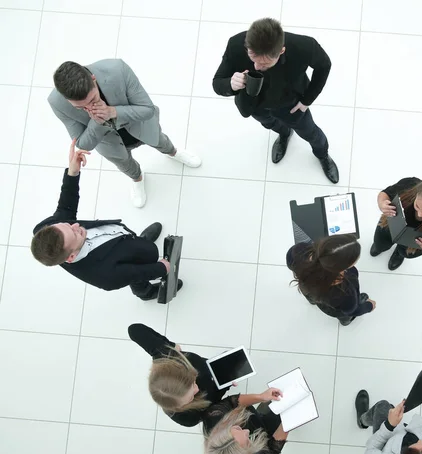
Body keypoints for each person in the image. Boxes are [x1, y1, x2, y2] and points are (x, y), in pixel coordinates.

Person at [30, 140, 182, 301]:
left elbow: (65, 209)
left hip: (121, 240)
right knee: (136, 275)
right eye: (75, 234)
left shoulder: (46, 229)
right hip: (128, 265)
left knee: (138, 245)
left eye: (67, 225)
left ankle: (139, 241)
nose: (75, 225)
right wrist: (160, 269)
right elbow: (134, 273)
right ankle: (145, 293)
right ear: (71, 257)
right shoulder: (105, 276)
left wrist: (73, 173)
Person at [49, 59, 201, 207]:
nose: (90, 108)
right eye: (81, 107)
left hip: (140, 125)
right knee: (125, 164)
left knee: (161, 141)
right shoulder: (56, 103)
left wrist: (112, 112)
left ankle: (173, 153)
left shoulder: (117, 69)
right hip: (110, 143)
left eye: (93, 99)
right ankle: (138, 179)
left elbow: (147, 109)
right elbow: (82, 144)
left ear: (93, 79)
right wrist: (97, 121)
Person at [212, 17, 339, 184]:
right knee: (270, 124)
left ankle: (323, 155)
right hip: (256, 106)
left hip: (291, 105)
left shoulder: (304, 46)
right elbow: (217, 82)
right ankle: (284, 135)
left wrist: (307, 99)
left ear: (281, 51)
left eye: (264, 63)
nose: (256, 67)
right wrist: (230, 83)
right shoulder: (235, 44)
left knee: (311, 132)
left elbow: (324, 65)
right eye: (253, 58)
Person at [128, 323, 234, 427]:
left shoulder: (166, 354)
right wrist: (225, 385)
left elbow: (134, 330)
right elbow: (214, 406)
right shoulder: (188, 418)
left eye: (193, 383)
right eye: (191, 398)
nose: (196, 390)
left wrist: (170, 346)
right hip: (216, 387)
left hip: (208, 368)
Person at [286, 234, 375, 326]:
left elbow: (290, 260)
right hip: (334, 309)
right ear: (344, 266)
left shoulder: (300, 252)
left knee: (311, 296)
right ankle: (345, 322)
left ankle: (312, 301)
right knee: (345, 316)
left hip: (310, 290)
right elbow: (351, 310)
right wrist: (368, 306)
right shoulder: (346, 290)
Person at [202, 389, 289, 454]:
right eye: (248, 441)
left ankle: (263, 411)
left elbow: (233, 402)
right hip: (265, 434)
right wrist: (288, 420)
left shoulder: (213, 416)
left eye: (238, 428)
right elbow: (272, 450)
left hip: (251, 416)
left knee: (268, 408)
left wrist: (261, 397)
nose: (247, 431)